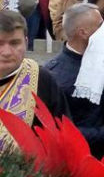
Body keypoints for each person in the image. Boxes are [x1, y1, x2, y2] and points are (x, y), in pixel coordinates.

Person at [44, 3, 104, 158]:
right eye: (100, 26)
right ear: (83, 32)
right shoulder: (56, 76)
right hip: (76, 162)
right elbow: (57, 129)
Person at [0, 10, 70, 150]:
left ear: (26, 42)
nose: (6, 52)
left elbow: (64, 137)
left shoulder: (42, 80)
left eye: (14, 43)